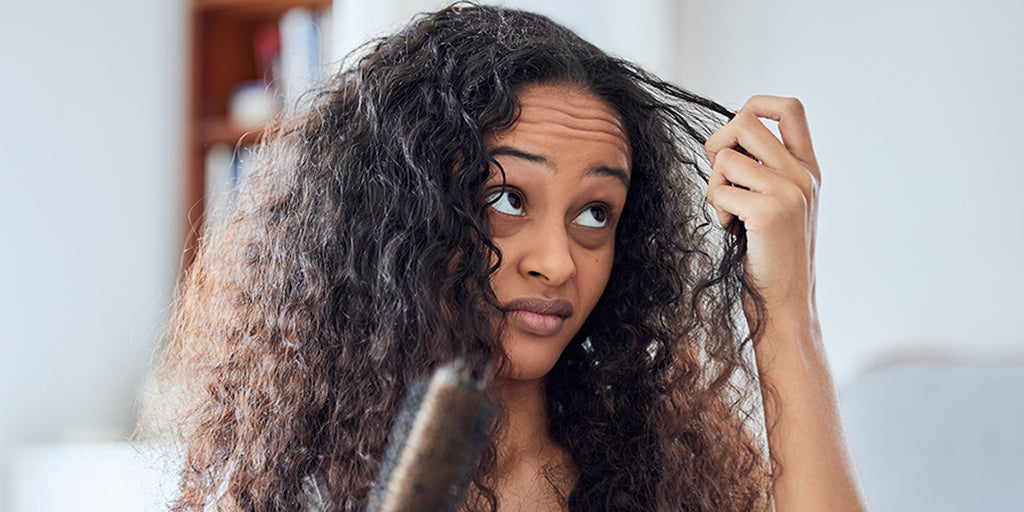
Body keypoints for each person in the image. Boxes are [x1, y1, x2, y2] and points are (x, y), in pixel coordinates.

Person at [151, 4, 866, 511]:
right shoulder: (281, 487)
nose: (556, 262)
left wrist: (785, 310)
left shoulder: (664, 476)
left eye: (594, 214)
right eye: (506, 200)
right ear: (407, 210)